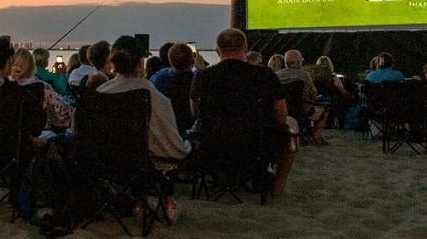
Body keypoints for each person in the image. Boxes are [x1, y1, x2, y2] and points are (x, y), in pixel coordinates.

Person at [97, 35, 191, 222]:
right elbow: (171, 147)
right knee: (179, 150)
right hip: (140, 167)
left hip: (103, 165)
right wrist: (187, 146)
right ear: (141, 63)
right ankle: (165, 200)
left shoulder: (99, 93)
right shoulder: (153, 97)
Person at [190, 28, 296, 195]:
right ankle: (278, 184)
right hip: (256, 147)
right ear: (246, 48)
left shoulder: (202, 77)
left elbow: (195, 113)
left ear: (218, 51)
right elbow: (282, 115)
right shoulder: (265, 75)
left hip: (213, 148)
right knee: (292, 126)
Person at [11, 48, 72, 135]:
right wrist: (62, 73)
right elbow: (62, 91)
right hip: (41, 128)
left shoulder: (5, 86)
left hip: (16, 131)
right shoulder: (45, 83)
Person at [276, 50, 325, 143]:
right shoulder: (305, 75)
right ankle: (316, 136)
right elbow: (314, 94)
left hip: (282, 109)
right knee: (323, 110)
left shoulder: (276, 75)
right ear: (299, 62)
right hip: (302, 109)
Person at [150, 43, 197, 134]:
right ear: (192, 61)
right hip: (191, 129)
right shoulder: (197, 80)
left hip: (167, 130)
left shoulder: (159, 80)